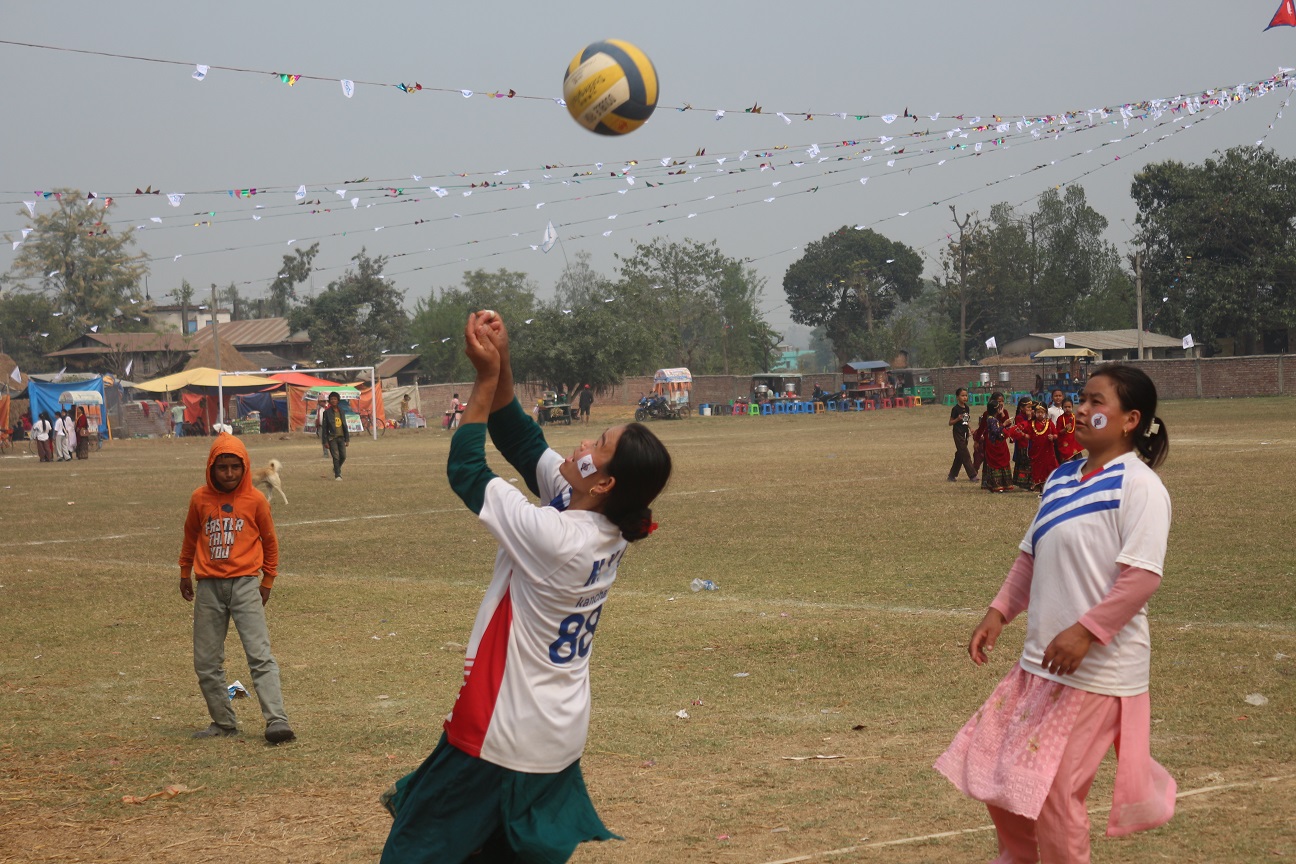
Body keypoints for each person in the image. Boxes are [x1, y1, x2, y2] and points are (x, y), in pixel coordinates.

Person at [380, 311, 672, 864]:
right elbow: (516, 434)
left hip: (501, 732)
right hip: (554, 736)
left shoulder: (558, 535)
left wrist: (484, 380)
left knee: (413, 852)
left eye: (599, 442)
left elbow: (467, 470)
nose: (584, 440)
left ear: (603, 481)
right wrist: (502, 356)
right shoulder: (595, 516)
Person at [935, 364, 1174, 863]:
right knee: (1004, 782)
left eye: (1095, 402)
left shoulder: (1140, 487)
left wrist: (1086, 633)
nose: (1080, 410)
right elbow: (1031, 556)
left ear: (1130, 420)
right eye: (1080, 399)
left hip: (1096, 670)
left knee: (1051, 792)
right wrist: (998, 612)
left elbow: (1142, 578)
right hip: (1041, 664)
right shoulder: (1062, 477)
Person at [178, 434, 294, 743]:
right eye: (222, 468)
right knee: (205, 660)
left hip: (245, 585)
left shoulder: (255, 500)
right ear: (211, 469)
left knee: (259, 655)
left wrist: (267, 580)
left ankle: (276, 720)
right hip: (208, 588)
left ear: (245, 468)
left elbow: (270, 542)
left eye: (235, 467)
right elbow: (190, 536)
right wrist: (183, 572)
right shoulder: (199, 498)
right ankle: (223, 722)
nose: (228, 474)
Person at [1022, 401, 1059, 493]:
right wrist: (1022, 434)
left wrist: (1052, 437)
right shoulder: (1032, 424)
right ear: (1035, 413)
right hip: (1036, 450)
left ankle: (1049, 486)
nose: (1040, 414)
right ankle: (1038, 486)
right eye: (1038, 412)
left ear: (1045, 413)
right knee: (1037, 468)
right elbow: (1029, 436)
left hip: (1048, 450)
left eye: (1042, 412)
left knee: (1048, 466)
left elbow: (1056, 434)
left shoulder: (1049, 423)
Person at [981, 393, 1014, 493]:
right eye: (998, 402)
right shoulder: (989, 417)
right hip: (993, 443)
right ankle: (994, 484)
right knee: (992, 462)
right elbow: (993, 429)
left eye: (1002, 401)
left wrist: (1003, 416)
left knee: (1003, 461)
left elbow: (1006, 428)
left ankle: (1004, 484)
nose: (1000, 404)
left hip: (1001, 442)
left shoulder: (1004, 413)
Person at [947, 387, 977, 483]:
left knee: (960, 454)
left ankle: (952, 475)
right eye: (962, 395)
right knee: (965, 453)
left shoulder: (967, 408)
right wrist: (957, 419)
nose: (964, 397)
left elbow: (965, 421)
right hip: (958, 433)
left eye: (966, 395)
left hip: (965, 433)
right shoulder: (955, 409)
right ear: (957, 397)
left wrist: (970, 428)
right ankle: (972, 475)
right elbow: (950, 422)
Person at [320, 392, 349, 480]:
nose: (333, 400)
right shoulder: (327, 413)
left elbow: (344, 425)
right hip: (332, 438)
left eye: (335, 399)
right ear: (329, 401)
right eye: (332, 399)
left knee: (343, 456)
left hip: (341, 437)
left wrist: (347, 439)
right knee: (336, 456)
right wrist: (325, 441)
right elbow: (324, 428)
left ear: (338, 400)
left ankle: (336, 468)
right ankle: (338, 475)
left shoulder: (341, 411)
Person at [1010, 396, 1034, 491]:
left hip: (1030, 443)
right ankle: (1022, 482)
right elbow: (1024, 428)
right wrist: (1028, 418)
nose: (1030, 409)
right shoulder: (1019, 417)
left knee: (1030, 463)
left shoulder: (1033, 416)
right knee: (1023, 463)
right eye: (1028, 407)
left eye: (1031, 407)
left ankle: (1030, 482)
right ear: (1021, 408)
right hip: (1023, 444)